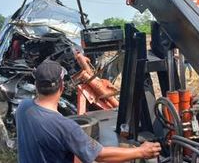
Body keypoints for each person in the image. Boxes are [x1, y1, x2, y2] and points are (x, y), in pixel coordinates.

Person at [16, 60, 161, 163]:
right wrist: (141, 151)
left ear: (36, 85)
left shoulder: (23, 108)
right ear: (61, 86)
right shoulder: (65, 127)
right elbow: (101, 155)